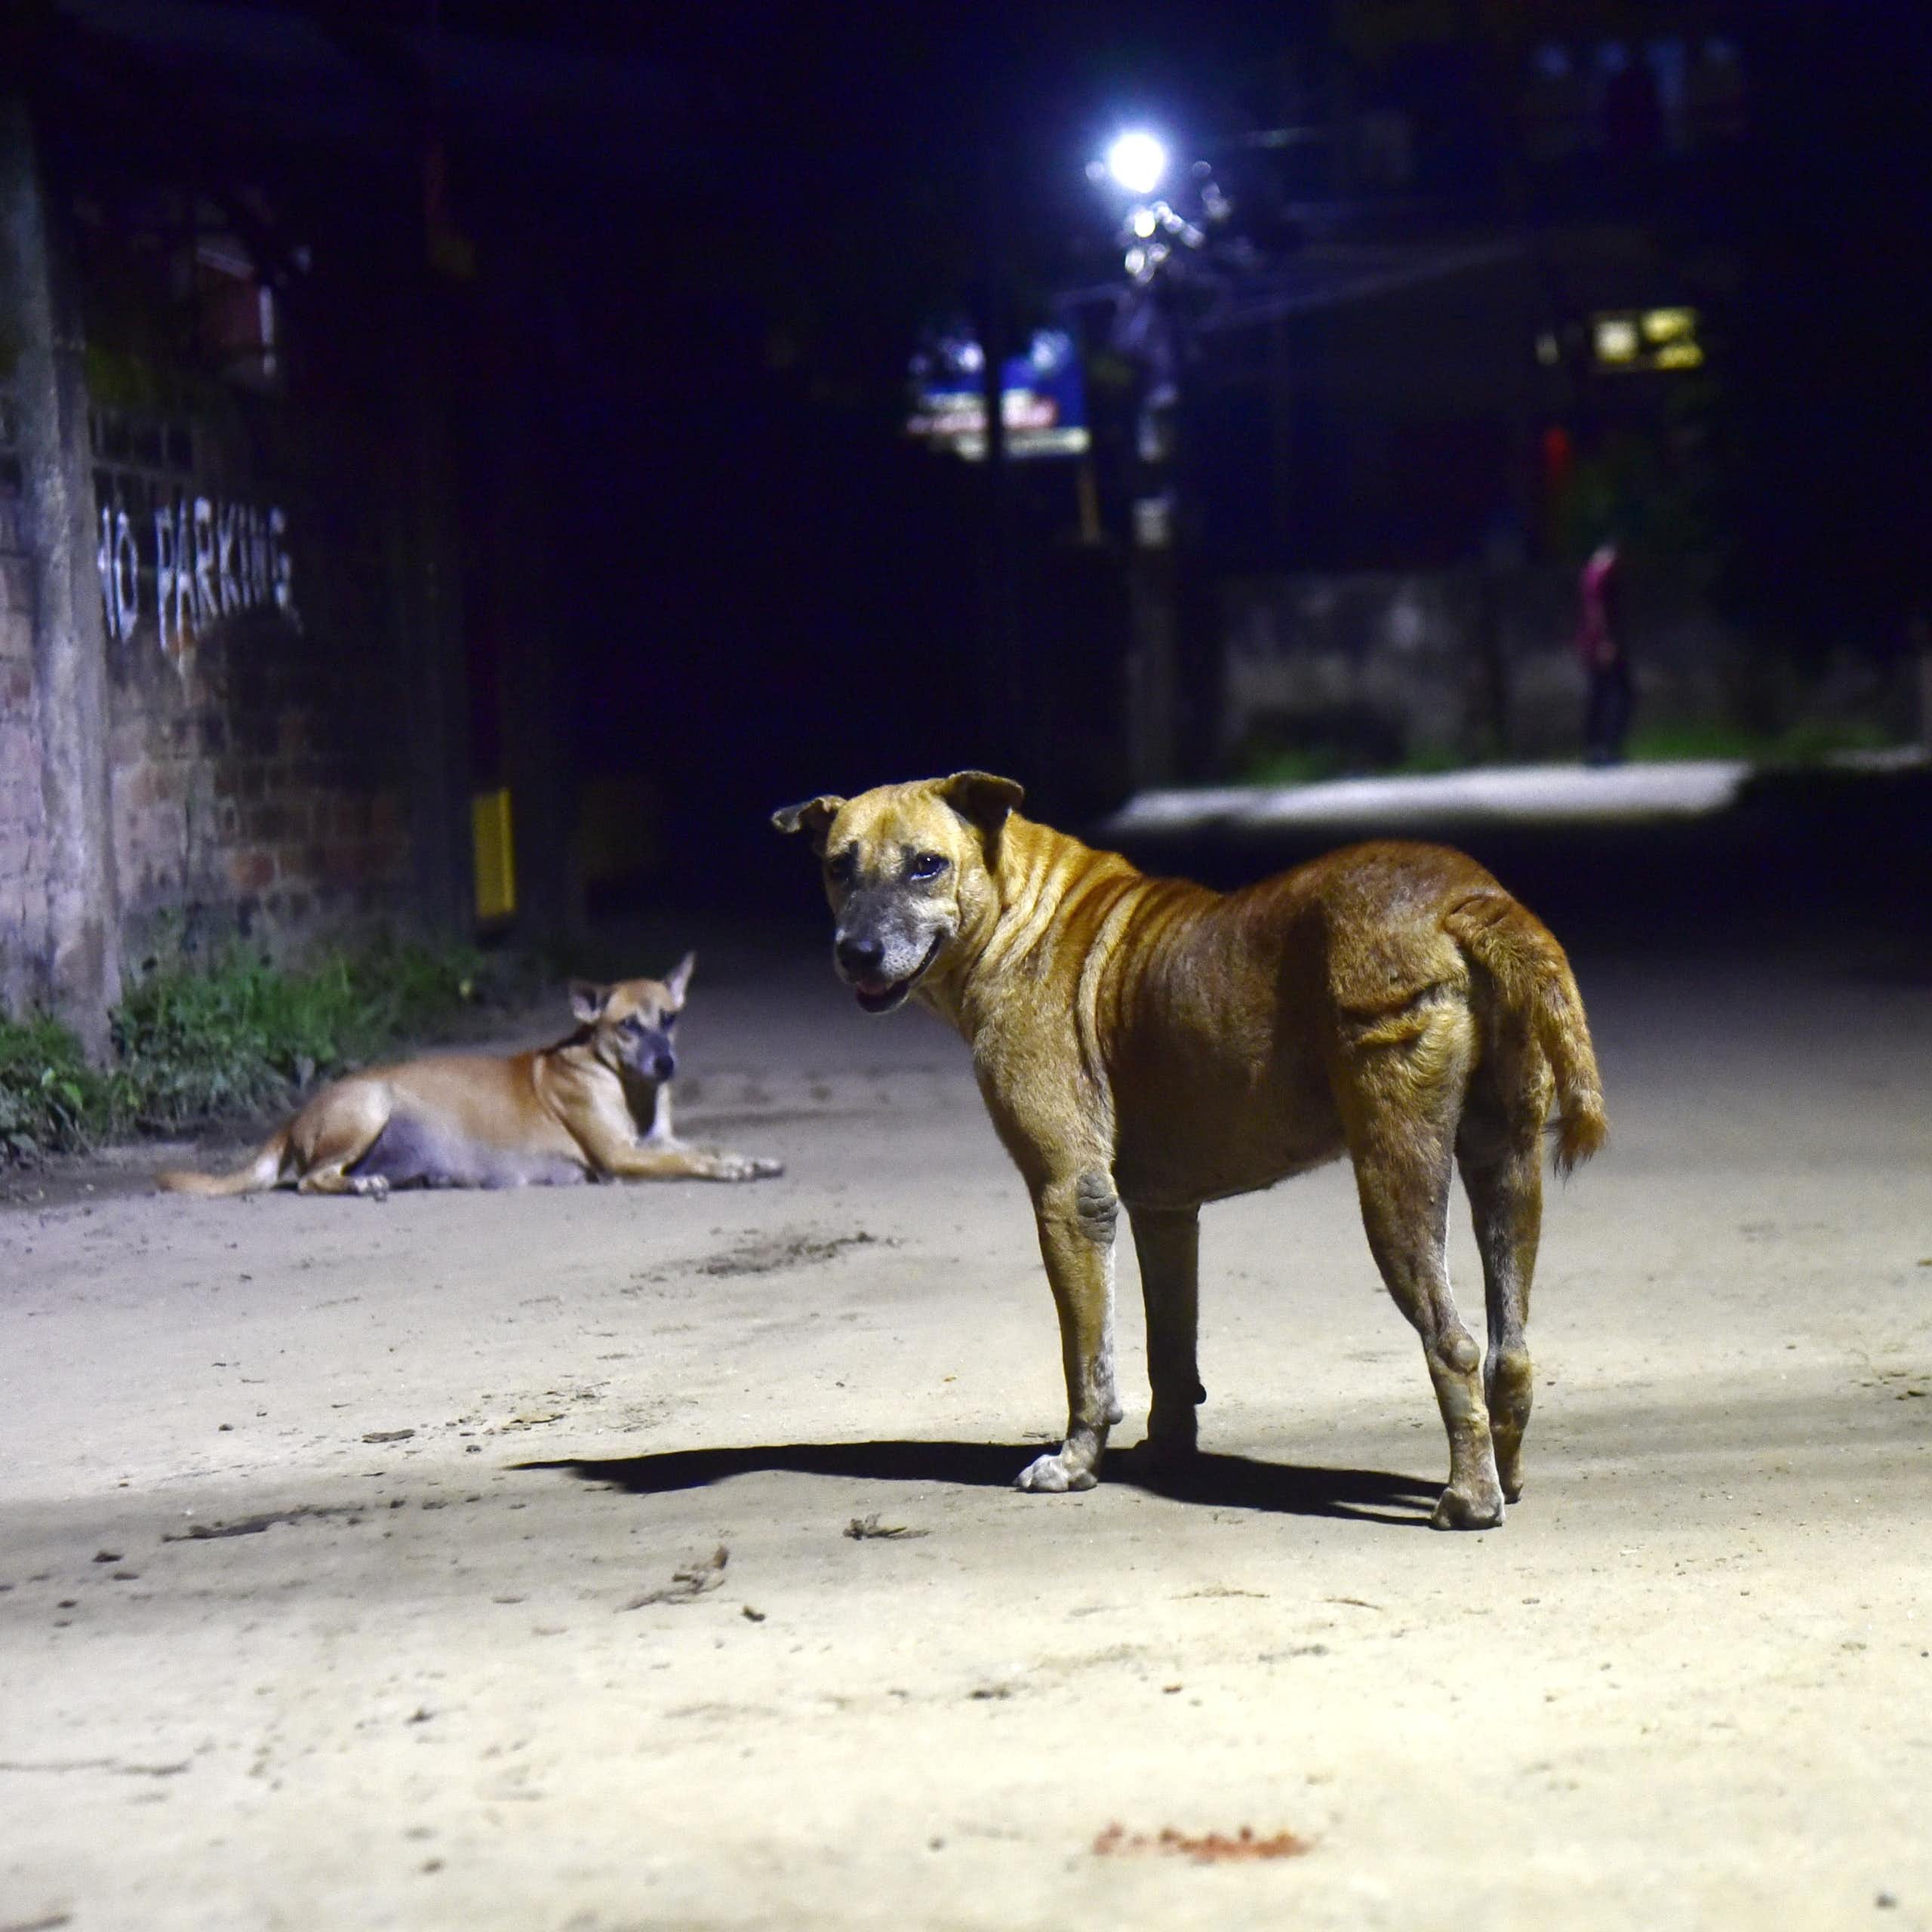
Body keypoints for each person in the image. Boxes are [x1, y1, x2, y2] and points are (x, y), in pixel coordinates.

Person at [1576, 539, 1632, 764]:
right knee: (1615, 693)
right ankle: (1604, 748)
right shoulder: (1602, 574)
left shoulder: (1591, 573)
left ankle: (1598, 748)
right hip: (1601, 642)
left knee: (1601, 694)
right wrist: (1605, 640)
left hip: (1594, 641)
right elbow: (1597, 609)